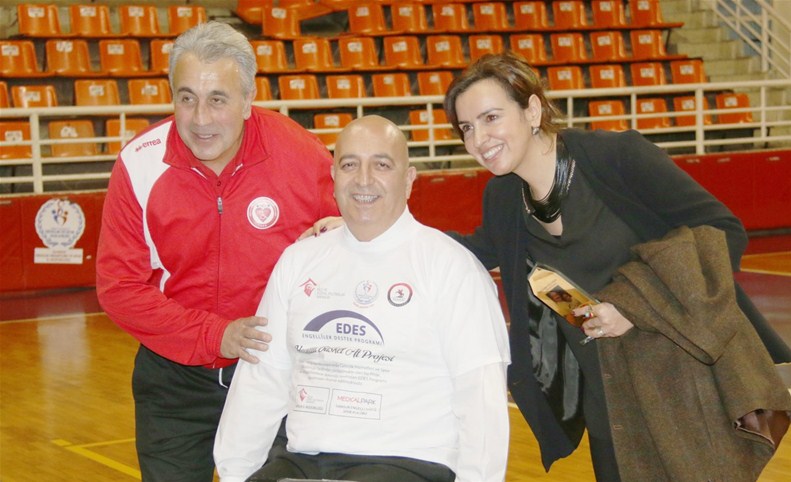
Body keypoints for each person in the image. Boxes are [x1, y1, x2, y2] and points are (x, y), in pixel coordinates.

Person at [441, 51, 791, 480]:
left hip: (683, 388)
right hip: (607, 403)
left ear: (532, 110)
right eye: (466, 127)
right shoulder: (503, 197)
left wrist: (632, 306)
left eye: (491, 118)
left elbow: (721, 231)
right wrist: (381, 228)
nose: (479, 138)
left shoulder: (615, 156)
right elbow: (470, 253)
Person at [95, 21, 338, 482]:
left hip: (278, 378)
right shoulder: (140, 163)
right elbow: (119, 287)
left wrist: (349, 233)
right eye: (187, 98)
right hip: (175, 383)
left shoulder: (302, 156)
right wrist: (215, 335)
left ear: (248, 100)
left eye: (218, 100)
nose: (201, 119)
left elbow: (351, 252)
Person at [214, 115, 511, 482]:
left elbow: (481, 397)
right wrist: (235, 474)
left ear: (409, 180)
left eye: (381, 165)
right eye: (350, 165)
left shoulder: (451, 267)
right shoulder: (298, 260)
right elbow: (262, 379)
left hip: (407, 463)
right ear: (334, 176)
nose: (364, 179)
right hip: (303, 461)